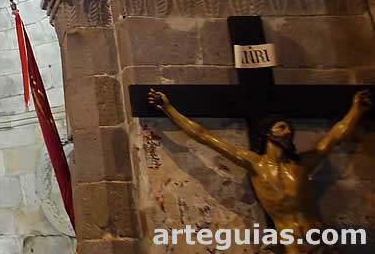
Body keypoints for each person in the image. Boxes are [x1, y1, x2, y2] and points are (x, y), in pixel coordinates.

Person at [148, 88, 372, 253]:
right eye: (282, 127)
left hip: (320, 238)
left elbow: (335, 137)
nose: (288, 132)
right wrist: (169, 109)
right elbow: (205, 137)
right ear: (268, 133)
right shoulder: (256, 165)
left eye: (289, 128)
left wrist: (356, 109)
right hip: (290, 243)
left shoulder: (302, 164)